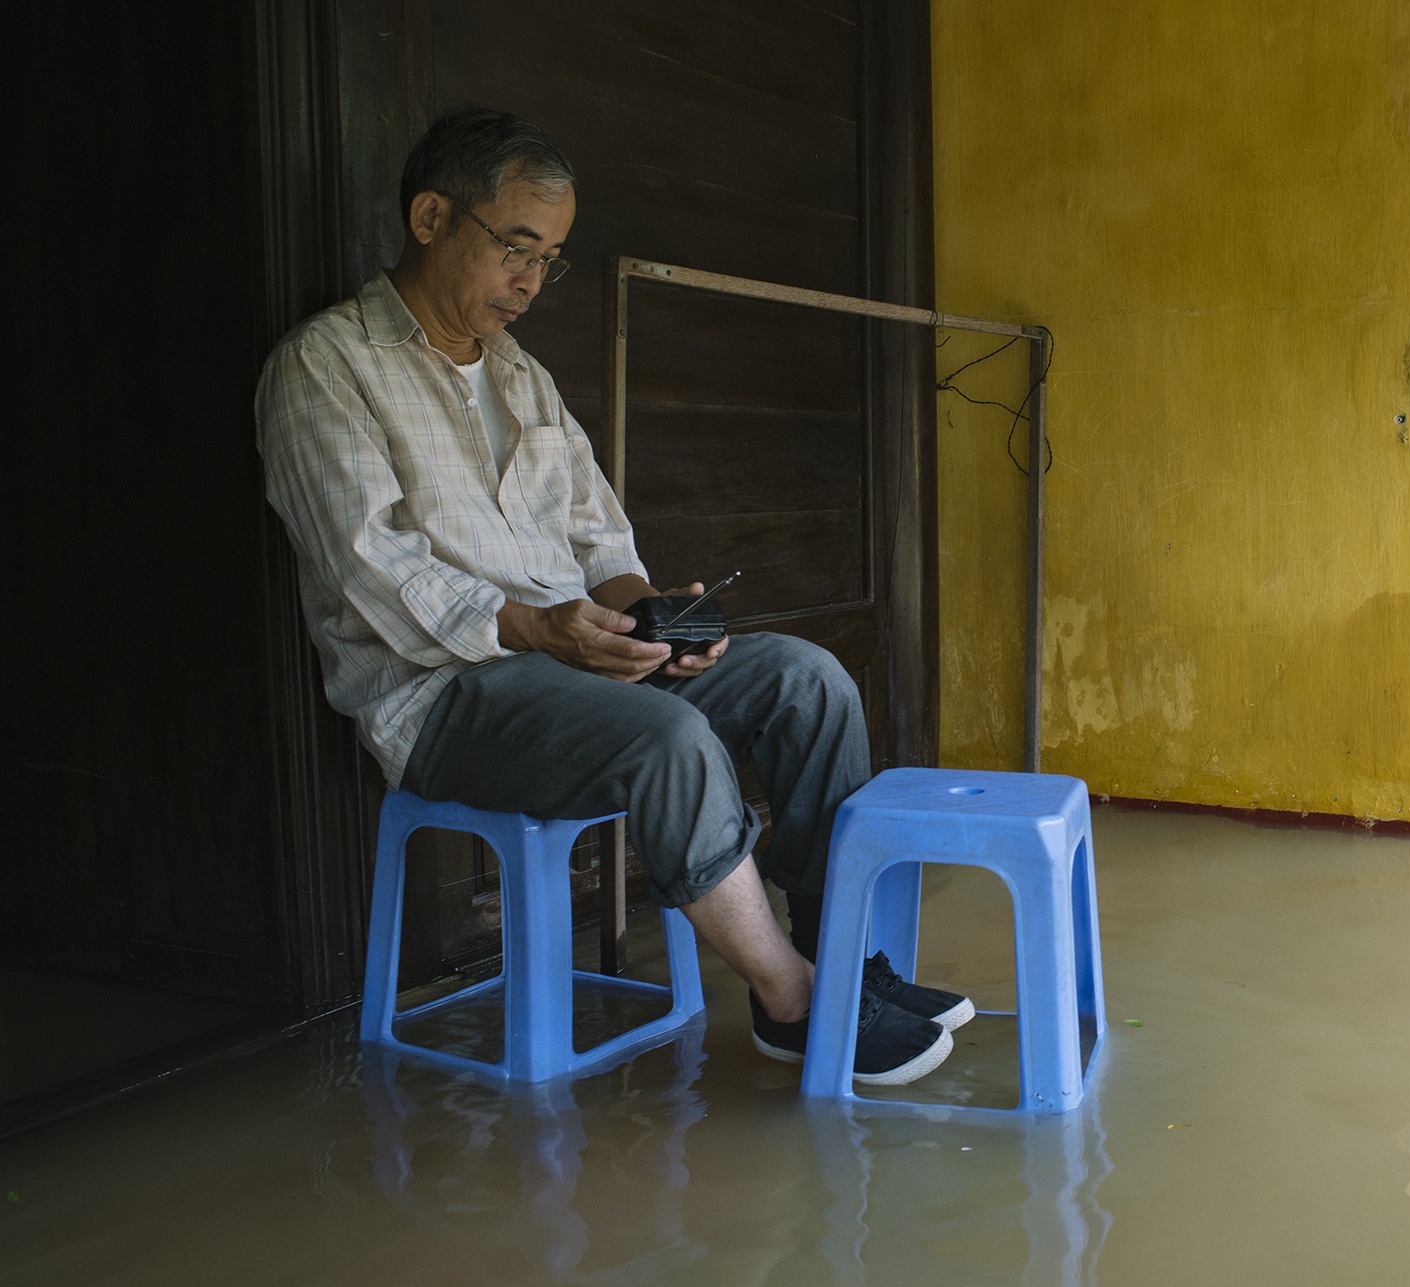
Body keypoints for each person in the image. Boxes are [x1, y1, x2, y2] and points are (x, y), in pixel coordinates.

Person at [255, 107, 971, 1086]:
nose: (531, 282)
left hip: (581, 665)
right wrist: (538, 627)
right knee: (666, 740)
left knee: (807, 680)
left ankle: (847, 961)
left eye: (549, 258)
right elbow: (365, 566)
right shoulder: (324, 367)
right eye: (516, 247)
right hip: (445, 694)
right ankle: (792, 1001)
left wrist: (652, 620)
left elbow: (601, 541)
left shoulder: (522, 378)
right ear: (429, 216)